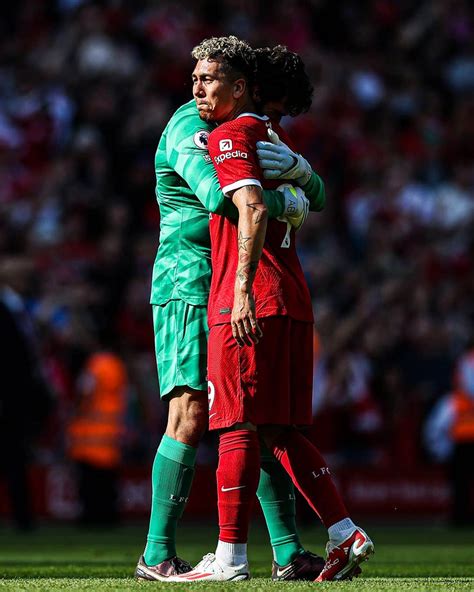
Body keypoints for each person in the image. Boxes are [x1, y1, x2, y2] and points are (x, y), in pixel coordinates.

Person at [171, 36, 374, 583]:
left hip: (252, 297)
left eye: (210, 80)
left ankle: (231, 558)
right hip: (291, 297)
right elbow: (316, 196)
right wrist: (305, 179)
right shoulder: (275, 140)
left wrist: (238, 289)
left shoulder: (234, 134)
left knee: (236, 426)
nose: (199, 90)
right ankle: (343, 530)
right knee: (279, 430)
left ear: (244, 88)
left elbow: (250, 206)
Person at [135, 42, 327, 582]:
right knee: (192, 413)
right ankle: (156, 554)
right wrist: (291, 196)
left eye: (279, 119)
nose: (270, 125)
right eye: (271, 110)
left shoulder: (247, 128)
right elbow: (225, 198)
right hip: (188, 283)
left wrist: (303, 175)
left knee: (253, 413)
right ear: (248, 90)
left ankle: (288, 555)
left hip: (228, 284)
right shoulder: (189, 130)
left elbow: (316, 195)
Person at [0, 257, 54, 531]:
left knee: (16, 454)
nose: (28, 280)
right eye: (23, 274)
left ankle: (24, 518)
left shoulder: (21, 308)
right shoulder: (7, 308)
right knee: (13, 455)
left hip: (19, 394)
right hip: (8, 395)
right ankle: (23, 518)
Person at [67, 347, 128, 526]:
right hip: (110, 437)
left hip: (88, 440)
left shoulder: (93, 367)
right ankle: (109, 518)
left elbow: (83, 394)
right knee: (108, 485)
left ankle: (91, 518)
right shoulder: (117, 365)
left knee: (90, 487)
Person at [424, 346, 474, 525]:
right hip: (465, 436)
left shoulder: (466, 361)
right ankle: (460, 516)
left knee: (462, 480)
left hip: (464, 435)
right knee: (461, 481)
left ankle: (460, 515)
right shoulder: (468, 360)